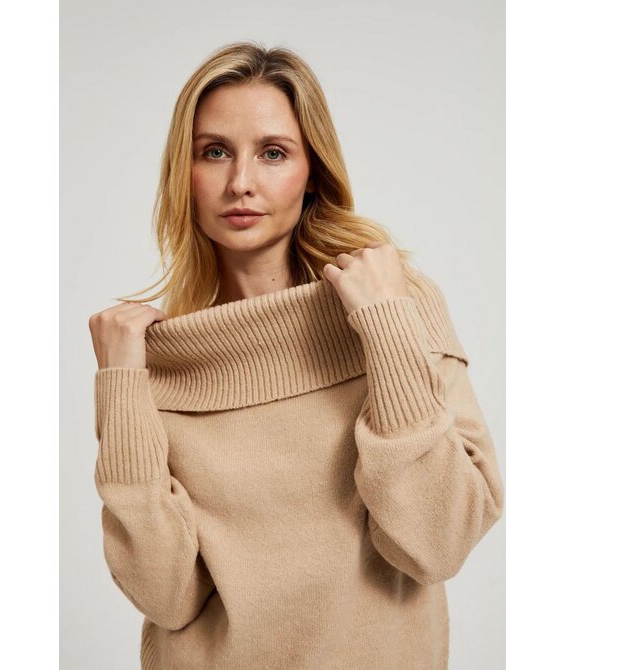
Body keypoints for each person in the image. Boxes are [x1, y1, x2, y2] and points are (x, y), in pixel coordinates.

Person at [88, 40, 504, 670]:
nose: (240, 182)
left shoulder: (397, 307)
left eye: (273, 153)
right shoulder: (156, 360)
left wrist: (386, 328)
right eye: (214, 151)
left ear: (313, 173)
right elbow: (164, 595)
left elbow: (439, 541)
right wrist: (121, 387)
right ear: (184, 173)